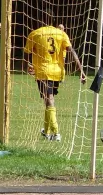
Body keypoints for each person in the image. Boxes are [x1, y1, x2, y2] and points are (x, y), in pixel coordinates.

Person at [24, 13, 86, 141]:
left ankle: (56, 132)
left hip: (43, 72)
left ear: (39, 20)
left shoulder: (35, 34)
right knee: (48, 99)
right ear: (52, 20)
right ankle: (46, 131)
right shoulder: (60, 34)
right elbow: (72, 51)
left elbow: (26, 53)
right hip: (57, 72)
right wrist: (81, 70)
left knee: (49, 99)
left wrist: (27, 65)